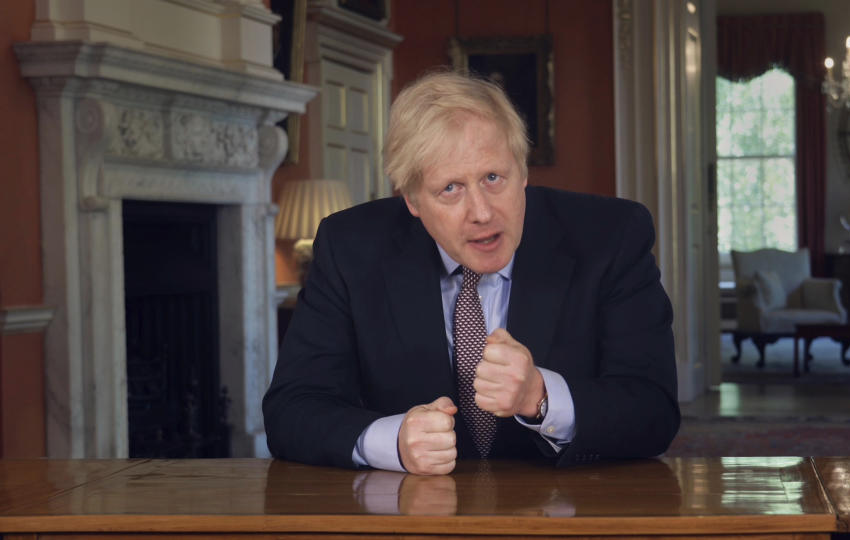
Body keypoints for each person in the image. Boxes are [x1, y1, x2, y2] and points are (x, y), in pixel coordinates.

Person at [262, 70, 679, 475]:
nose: (482, 213)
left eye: (494, 178)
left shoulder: (611, 236)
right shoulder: (350, 247)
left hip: (567, 510)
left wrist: (540, 396)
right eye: (450, 189)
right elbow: (292, 410)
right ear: (411, 198)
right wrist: (393, 442)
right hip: (414, 517)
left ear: (523, 170)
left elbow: (654, 412)